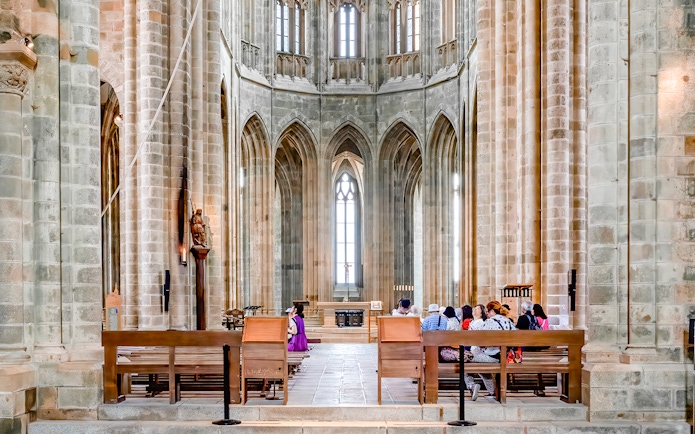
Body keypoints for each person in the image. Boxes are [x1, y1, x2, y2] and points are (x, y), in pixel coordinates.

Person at [464, 301, 517, 400]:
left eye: (488, 311)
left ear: (492, 311)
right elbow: (517, 338)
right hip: (504, 356)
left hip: (492, 357)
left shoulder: (490, 321)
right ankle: (492, 392)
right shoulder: (508, 321)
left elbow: (481, 341)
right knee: (481, 367)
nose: (487, 314)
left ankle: (471, 385)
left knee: (464, 359)